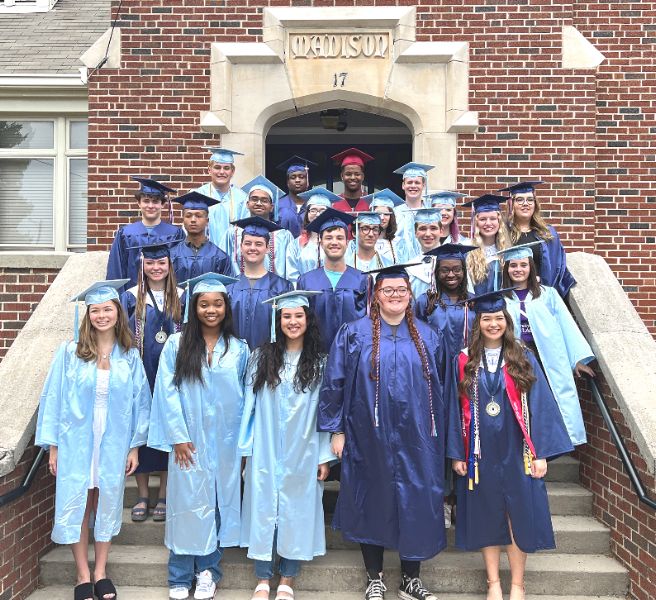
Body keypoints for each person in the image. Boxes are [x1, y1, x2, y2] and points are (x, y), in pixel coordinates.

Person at [319, 263, 448, 600]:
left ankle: (411, 579)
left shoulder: (428, 336)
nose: (395, 296)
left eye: (401, 291)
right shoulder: (353, 333)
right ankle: (374, 577)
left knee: (417, 499)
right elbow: (334, 382)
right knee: (370, 497)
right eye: (388, 290)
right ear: (376, 295)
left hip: (418, 435)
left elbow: (444, 388)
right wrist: (336, 430)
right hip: (365, 434)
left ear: (410, 295)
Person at [447, 289, 574, 600]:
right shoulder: (463, 359)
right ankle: (494, 583)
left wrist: (540, 451)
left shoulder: (521, 356)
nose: (493, 324)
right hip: (478, 451)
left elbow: (541, 404)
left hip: (518, 449)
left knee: (518, 514)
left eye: (499, 318)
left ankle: (517, 584)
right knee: (486, 513)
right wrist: (456, 454)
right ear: (478, 323)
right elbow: (452, 407)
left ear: (507, 321)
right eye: (487, 318)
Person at [36, 279, 151, 600]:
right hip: (76, 444)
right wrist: (53, 447)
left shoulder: (129, 357)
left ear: (118, 313)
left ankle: (101, 571)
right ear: (88, 315)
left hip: (113, 443)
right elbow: (54, 399)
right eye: (96, 310)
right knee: (79, 503)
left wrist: (134, 446)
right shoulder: (70, 353)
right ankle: (81, 574)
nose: (102, 315)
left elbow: (141, 404)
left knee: (107, 503)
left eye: (108, 309)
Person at [148, 273, 249, 600]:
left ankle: (208, 572)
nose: (211, 310)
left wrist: (243, 445)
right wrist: (176, 436)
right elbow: (167, 392)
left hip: (225, 443)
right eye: (204, 304)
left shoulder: (238, 348)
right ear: (194, 307)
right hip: (187, 442)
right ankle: (179, 574)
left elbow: (247, 396)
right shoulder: (176, 345)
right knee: (184, 506)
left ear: (225, 308)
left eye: (217, 304)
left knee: (216, 505)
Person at [239, 291, 333, 600]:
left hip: (303, 448)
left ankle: (288, 578)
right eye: (286, 316)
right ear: (278, 321)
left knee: (298, 509)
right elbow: (249, 408)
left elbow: (324, 413)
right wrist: (247, 449)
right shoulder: (261, 357)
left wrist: (323, 456)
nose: (292, 322)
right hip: (265, 447)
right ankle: (263, 576)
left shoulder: (320, 363)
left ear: (308, 320)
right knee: (264, 507)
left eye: (298, 316)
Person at [499, 243, 595, 446]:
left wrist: (576, 360)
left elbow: (566, 326)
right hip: (514, 358)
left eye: (523, 265)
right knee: (519, 402)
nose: (518, 269)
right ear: (506, 269)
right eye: (513, 265)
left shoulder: (548, 294)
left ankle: (548, 446)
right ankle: (522, 444)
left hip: (545, 357)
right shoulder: (501, 298)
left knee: (545, 403)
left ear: (531, 268)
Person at [120, 243, 184, 524]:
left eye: (162, 263)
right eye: (150, 264)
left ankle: (166, 495)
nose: (156, 268)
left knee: (169, 431)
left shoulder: (182, 296)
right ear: (142, 266)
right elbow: (122, 333)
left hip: (170, 374)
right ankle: (144, 494)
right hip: (142, 371)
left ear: (170, 266)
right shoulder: (131, 297)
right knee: (141, 430)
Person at [296, 208, 368, 351]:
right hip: (315, 357)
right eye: (329, 238)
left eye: (339, 238)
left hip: (353, 357)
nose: (334, 242)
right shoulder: (306, 281)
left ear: (347, 242)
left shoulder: (362, 279)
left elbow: (368, 324)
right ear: (320, 242)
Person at [226, 217, 293, 350]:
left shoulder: (283, 287)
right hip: (234, 360)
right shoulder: (229, 288)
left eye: (258, 244)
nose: (252, 248)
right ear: (240, 247)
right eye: (248, 243)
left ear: (268, 248)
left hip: (270, 360)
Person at [501, 181, 576, 298]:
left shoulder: (548, 233)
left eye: (530, 200)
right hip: (511, 296)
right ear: (511, 204)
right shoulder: (503, 233)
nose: (525, 204)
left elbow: (557, 266)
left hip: (541, 293)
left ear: (535, 204)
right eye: (520, 200)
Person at [106, 177, 185, 289]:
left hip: (166, 298)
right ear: (139, 203)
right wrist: (120, 300)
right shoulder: (125, 234)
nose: (151, 206)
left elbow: (179, 269)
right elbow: (116, 270)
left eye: (155, 201)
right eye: (146, 201)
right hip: (132, 298)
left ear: (163, 204)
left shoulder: (175, 234)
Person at [415, 243, 478, 360]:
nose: (451, 274)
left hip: (468, 365)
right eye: (444, 270)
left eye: (457, 270)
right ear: (437, 273)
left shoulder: (474, 301)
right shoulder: (425, 302)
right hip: (436, 365)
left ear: (464, 272)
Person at [222, 176, 293, 278]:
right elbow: (224, 265)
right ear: (247, 204)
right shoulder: (233, 233)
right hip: (238, 291)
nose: (259, 203)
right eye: (254, 199)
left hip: (275, 291)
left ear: (271, 207)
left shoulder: (283, 235)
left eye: (264, 200)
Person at [169, 191, 234, 283]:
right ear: (183, 219)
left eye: (198, 216)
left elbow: (226, 291)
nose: (193, 220)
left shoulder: (220, 257)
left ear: (207, 220)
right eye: (188, 216)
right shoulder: (172, 255)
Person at [196, 147, 250, 251]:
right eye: (217, 167)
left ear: (232, 171)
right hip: (204, 254)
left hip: (233, 255)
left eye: (226, 168)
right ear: (209, 170)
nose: (222, 172)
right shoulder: (199, 195)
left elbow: (245, 231)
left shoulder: (242, 198)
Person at [285, 187, 339, 285]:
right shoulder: (296, 244)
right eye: (313, 210)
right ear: (307, 214)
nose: (317, 214)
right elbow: (292, 275)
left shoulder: (337, 243)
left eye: (322, 210)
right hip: (304, 294)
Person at [463, 194, 512, 295]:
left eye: (493, 218)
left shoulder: (508, 250)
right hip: (476, 307)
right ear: (476, 223)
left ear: (499, 221)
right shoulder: (467, 251)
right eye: (483, 219)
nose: (488, 223)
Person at [393, 162, 434, 256]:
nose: (413, 186)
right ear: (403, 185)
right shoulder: (395, 213)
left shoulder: (431, 212)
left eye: (417, 182)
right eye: (409, 182)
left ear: (423, 185)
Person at [404, 208, 443, 298]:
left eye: (433, 228)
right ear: (415, 232)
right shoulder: (408, 268)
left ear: (441, 231)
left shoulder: (453, 263)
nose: (428, 234)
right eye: (422, 229)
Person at [275, 155, 317, 238]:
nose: (297, 180)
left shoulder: (314, 204)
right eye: (293, 177)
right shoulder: (277, 205)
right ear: (287, 182)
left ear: (307, 180)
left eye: (301, 177)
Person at [361, 188, 403, 264]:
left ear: (391, 217)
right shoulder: (361, 243)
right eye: (379, 214)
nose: (382, 218)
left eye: (386, 214)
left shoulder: (398, 243)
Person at [331, 148, 374, 213]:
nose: (353, 177)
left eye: (357, 174)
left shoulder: (372, 203)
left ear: (362, 176)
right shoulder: (333, 204)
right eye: (348, 174)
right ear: (342, 176)